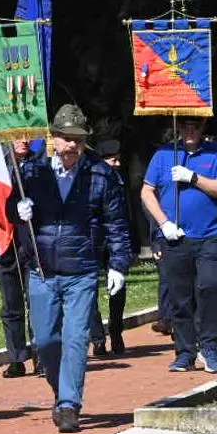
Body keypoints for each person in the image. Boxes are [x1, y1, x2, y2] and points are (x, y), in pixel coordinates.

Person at [13, 104, 131, 431]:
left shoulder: (100, 174)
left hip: (81, 270)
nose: (72, 146)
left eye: (78, 140)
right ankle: (60, 388)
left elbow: (117, 224)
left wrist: (118, 265)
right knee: (46, 341)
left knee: (76, 337)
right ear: (53, 138)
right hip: (42, 270)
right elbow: (11, 208)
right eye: (66, 139)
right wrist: (18, 210)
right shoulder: (32, 172)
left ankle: (69, 404)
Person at [141, 116, 217, 372]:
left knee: (209, 289)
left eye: (195, 126)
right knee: (180, 297)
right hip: (175, 236)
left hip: (209, 235)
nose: (190, 130)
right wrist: (163, 223)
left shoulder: (215, 154)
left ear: (203, 127)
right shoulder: (163, 155)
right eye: (185, 126)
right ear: (178, 128)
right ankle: (184, 351)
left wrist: (193, 177)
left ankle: (211, 348)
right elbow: (147, 191)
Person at [89, 138, 134, 356]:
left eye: (118, 159)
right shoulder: (92, 177)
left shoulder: (118, 179)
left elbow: (123, 216)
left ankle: (116, 330)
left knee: (118, 288)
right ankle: (98, 337)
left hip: (114, 241)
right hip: (95, 240)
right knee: (89, 290)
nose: (117, 164)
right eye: (113, 160)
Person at [0, 139, 36, 378]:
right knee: (11, 303)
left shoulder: (38, 165)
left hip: (31, 242)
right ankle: (17, 357)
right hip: (4, 241)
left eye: (27, 134)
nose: (24, 139)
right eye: (18, 134)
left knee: (37, 300)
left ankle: (41, 354)